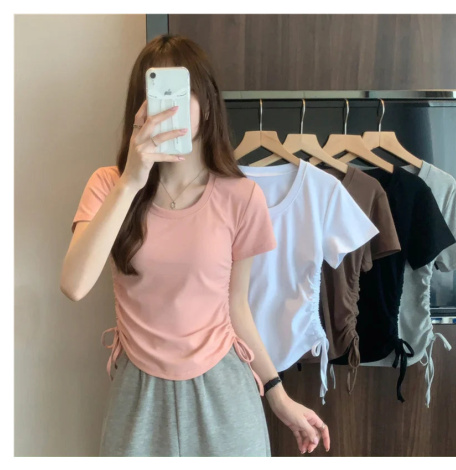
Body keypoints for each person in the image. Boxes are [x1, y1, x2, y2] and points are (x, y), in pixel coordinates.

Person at [60, 33, 330, 457]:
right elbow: (74, 285)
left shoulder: (241, 197)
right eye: (156, 94)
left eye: (180, 92)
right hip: (137, 395)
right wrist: (132, 180)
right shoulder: (110, 186)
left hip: (224, 391)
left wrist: (278, 395)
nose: (167, 107)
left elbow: (237, 308)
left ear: (206, 104)